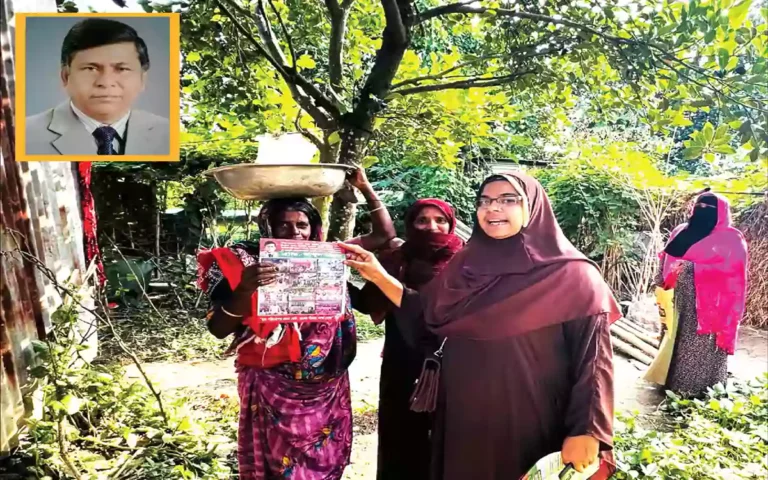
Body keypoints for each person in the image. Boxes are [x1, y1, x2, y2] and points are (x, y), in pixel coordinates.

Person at [341, 172, 622, 480]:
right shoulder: (465, 265)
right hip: (462, 418)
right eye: (485, 201)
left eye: (508, 200)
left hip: (529, 417)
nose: (493, 208)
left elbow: (594, 361)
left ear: (534, 207)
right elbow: (426, 316)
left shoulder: (573, 275)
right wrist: (378, 275)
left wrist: (588, 430)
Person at [197, 168, 395, 480]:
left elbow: (384, 235)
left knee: (323, 462)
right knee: (279, 465)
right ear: (268, 227)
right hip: (273, 385)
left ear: (314, 227)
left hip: (327, 388)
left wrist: (367, 188)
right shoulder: (244, 262)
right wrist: (246, 289)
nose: (295, 233)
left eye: (302, 225)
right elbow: (218, 328)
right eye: (283, 225)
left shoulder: (328, 259)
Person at [351, 199, 464, 480]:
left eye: (440, 221)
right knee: (400, 437)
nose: (432, 227)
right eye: (422, 221)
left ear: (451, 224)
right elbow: (366, 302)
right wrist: (324, 277)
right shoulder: (397, 259)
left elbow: (441, 313)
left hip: (451, 365)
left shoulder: (467, 263)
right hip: (400, 363)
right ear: (411, 225)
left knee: (445, 442)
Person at [25, 18, 169, 156]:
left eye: (122, 69)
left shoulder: (168, 134)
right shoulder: (24, 135)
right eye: (91, 68)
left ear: (142, 79)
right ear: (65, 76)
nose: (105, 82)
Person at [651, 192, 748, 395]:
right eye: (699, 205)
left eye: (709, 208)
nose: (702, 210)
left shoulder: (730, 239)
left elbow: (733, 271)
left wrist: (690, 268)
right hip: (674, 299)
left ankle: (694, 389)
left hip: (707, 306)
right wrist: (661, 281)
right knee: (671, 340)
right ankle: (667, 383)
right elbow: (667, 256)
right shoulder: (680, 231)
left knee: (696, 346)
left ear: (721, 213)